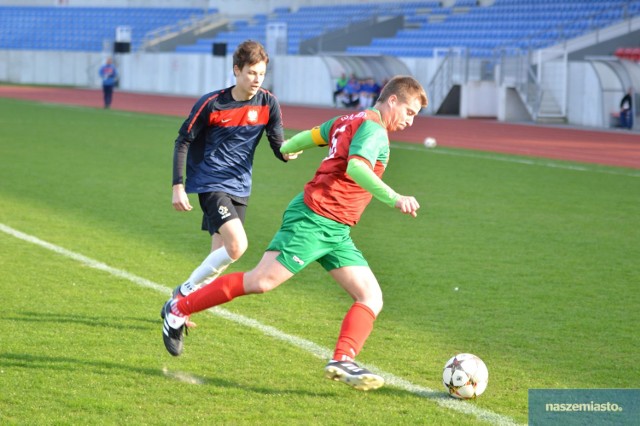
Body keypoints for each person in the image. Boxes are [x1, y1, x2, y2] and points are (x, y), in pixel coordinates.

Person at [162, 75, 428, 391]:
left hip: (336, 229)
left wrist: (288, 146)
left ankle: (342, 359)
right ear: (393, 101)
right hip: (316, 218)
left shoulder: (351, 118)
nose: (411, 122)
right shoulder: (374, 130)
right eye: (409, 112)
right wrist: (395, 198)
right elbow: (357, 167)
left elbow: (313, 135)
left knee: (370, 296)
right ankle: (179, 307)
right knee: (260, 281)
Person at [164, 40, 300, 319]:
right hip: (211, 182)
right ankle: (183, 295)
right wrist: (178, 185)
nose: (257, 79)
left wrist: (288, 152)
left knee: (220, 256)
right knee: (237, 245)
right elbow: (183, 141)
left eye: (261, 74)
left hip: (241, 186)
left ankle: (182, 309)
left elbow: (277, 145)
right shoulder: (212, 103)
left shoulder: (268, 102)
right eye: (251, 73)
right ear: (236, 70)